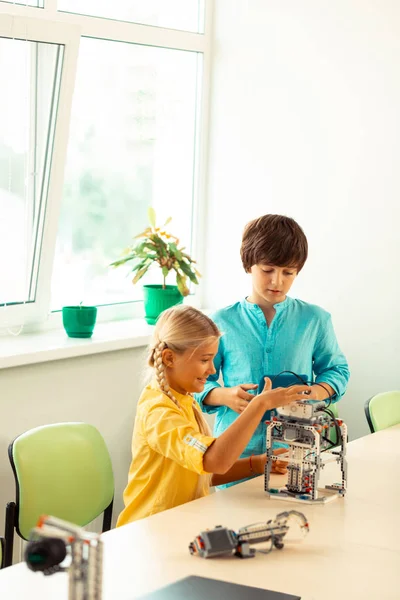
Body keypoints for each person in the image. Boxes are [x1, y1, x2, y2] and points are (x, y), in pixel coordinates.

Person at [117, 304, 312, 526]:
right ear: (169, 358)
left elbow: (200, 471)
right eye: (204, 360)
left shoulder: (183, 399)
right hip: (151, 529)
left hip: (181, 521)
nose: (211, 370)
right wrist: (259, 405)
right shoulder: (159, 412)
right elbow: (213, 460)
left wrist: (258, 464)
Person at [195, 214, 350, 486]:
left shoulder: (315, 319)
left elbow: (337, 369)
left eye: (288, 272)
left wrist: (318, 391)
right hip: (233, 456)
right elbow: (195, 383)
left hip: (294, 452)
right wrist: (224, 395)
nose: (277, 281)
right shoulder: (220, 321)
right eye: (267, 270)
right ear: (249, 265)